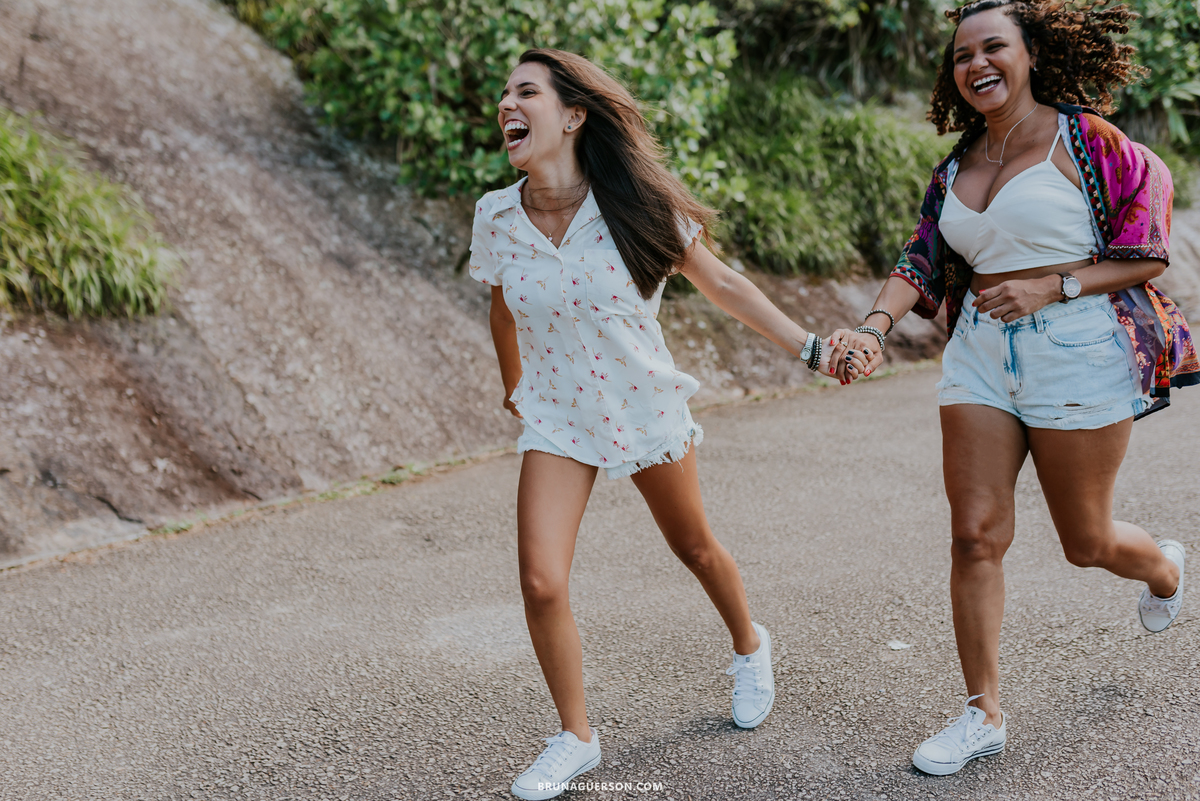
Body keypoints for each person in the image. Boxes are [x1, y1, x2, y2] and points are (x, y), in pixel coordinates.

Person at [827, 0, 1198, 777]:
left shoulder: (1089, 141)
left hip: (1078, 349)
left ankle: (1163, 568)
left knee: (1086, 542)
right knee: (974, 534)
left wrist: (1050, 286)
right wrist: (871, 328)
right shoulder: (956, 165)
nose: (977, 64)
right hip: (979, 354)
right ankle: (982, 713)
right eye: (962, 55)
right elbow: (921, 258)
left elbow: (1148, 250)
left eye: (993, 47)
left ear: (1031, 54)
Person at [470, 49, 845, 800]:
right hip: (559, 417)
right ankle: (576, 737)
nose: (507, 104)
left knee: (695, 546)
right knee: (541, 582)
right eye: (504, 93)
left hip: (642, 402)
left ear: (573, 115)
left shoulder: (635, 205)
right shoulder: (497, 216)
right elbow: (503, 307)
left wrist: (810, 347)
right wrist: (514, 385)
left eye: (526, 92)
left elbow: (724, 284)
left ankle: (750, 645)